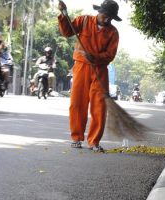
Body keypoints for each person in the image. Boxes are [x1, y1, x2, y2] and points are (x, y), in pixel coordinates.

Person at [58, 0, 121, 152]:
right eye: (105, 16)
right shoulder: (84, 20)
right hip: (81, 67)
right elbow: (67, 32)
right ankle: (76, 137)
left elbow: (110, 55)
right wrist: (63, 14)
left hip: (100, 70)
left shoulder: (113, 32)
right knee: (77, 103)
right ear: (99, 12)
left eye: (110, 18)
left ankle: (94, 141)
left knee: (99, 106)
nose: (107, 20)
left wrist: (95, 57)